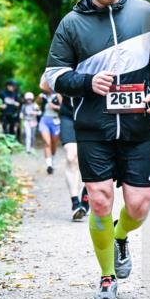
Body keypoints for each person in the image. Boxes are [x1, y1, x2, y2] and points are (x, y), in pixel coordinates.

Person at [43, 0, 150, 299]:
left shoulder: (144, 13)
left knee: (139, 206)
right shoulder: (72, 23)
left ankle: (120, 237)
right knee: (100, 201)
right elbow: (51, 77)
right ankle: (106, 277)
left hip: (138, 128)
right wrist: (87, 83)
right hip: (93, 128)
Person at [41, 74, 90, 221]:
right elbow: (44, 85)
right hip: (68, 115)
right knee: (71, 156)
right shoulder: (66, 56)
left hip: (92, 114)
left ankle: (86, 196)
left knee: (91, 159)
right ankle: (76, 204)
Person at [38, 88, 62, 174]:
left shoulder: (58, 95)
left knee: (54, 143)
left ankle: (52, 160)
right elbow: (35, 106)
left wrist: (54, 106)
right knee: (47, 142)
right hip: (44, 120)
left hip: (55, 121)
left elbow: (64, 108)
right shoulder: (42, 96)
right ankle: (49, 165)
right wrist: (38, 101)